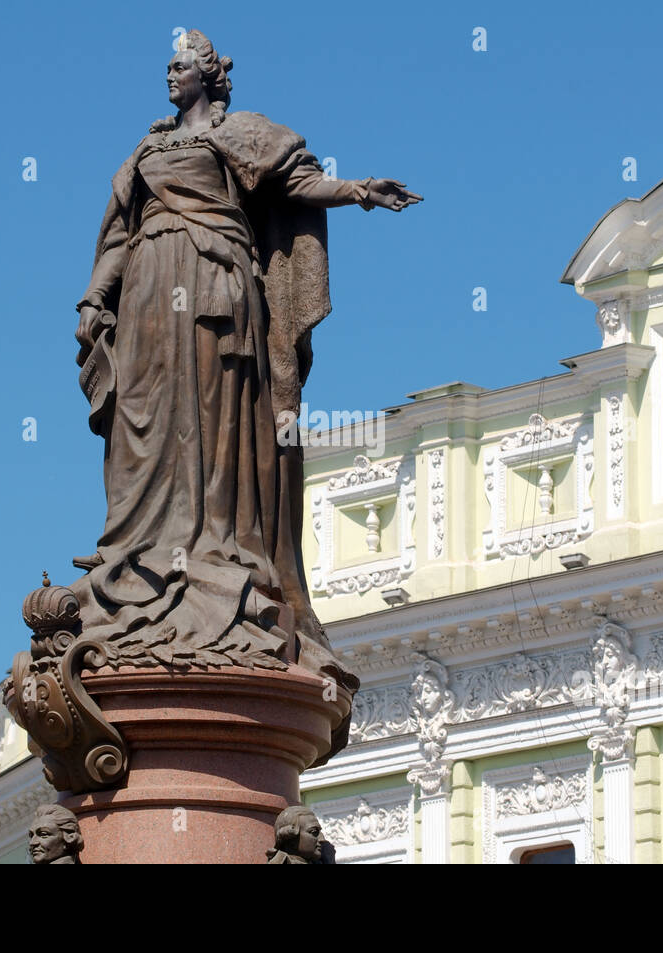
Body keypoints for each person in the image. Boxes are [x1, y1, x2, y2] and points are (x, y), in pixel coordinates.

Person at [67, 29, 420, 754]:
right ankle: (140, 557)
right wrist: (94, 299)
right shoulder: (146, 149)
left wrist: (357, 191)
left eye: (180, 64)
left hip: (214, 282)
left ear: (209, 75)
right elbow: (116, 235)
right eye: (166, 65)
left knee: (217, 423)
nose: (169, 74)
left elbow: (295, 185)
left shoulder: (243, 134)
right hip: (147, 291)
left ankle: (213, 552)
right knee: (146, 425)